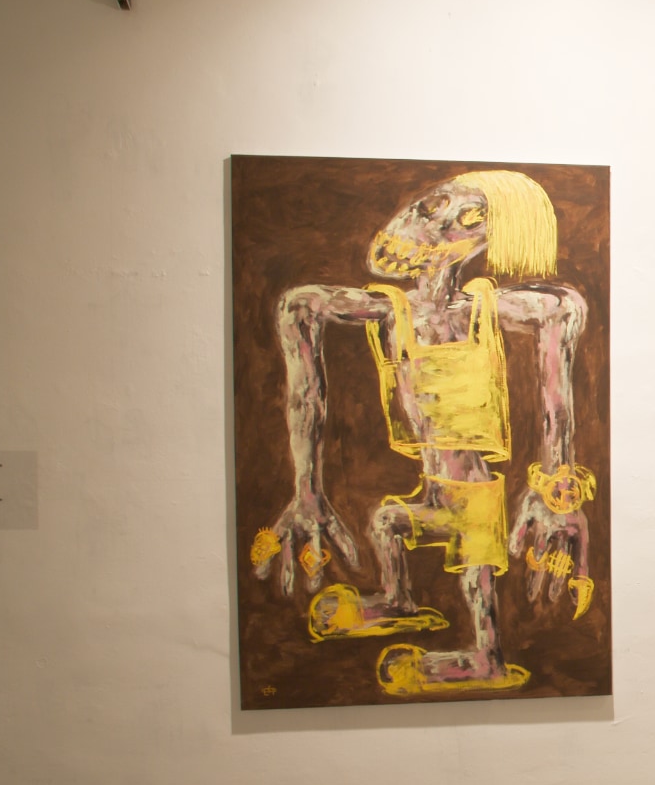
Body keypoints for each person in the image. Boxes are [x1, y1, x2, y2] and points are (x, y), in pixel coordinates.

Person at [250, 170, 594, 697]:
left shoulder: (480, 309)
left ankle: (485, 658)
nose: (431, 224)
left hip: (473, 494)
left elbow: (562, 306)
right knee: (386, 521)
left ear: (486, 240)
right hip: (433, 487)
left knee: (475, 575)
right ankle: (397, 601)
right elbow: (302, 305)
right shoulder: (398, 310)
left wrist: (556, 479)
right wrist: (306, 490)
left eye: (468, 219)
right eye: (433, 207)